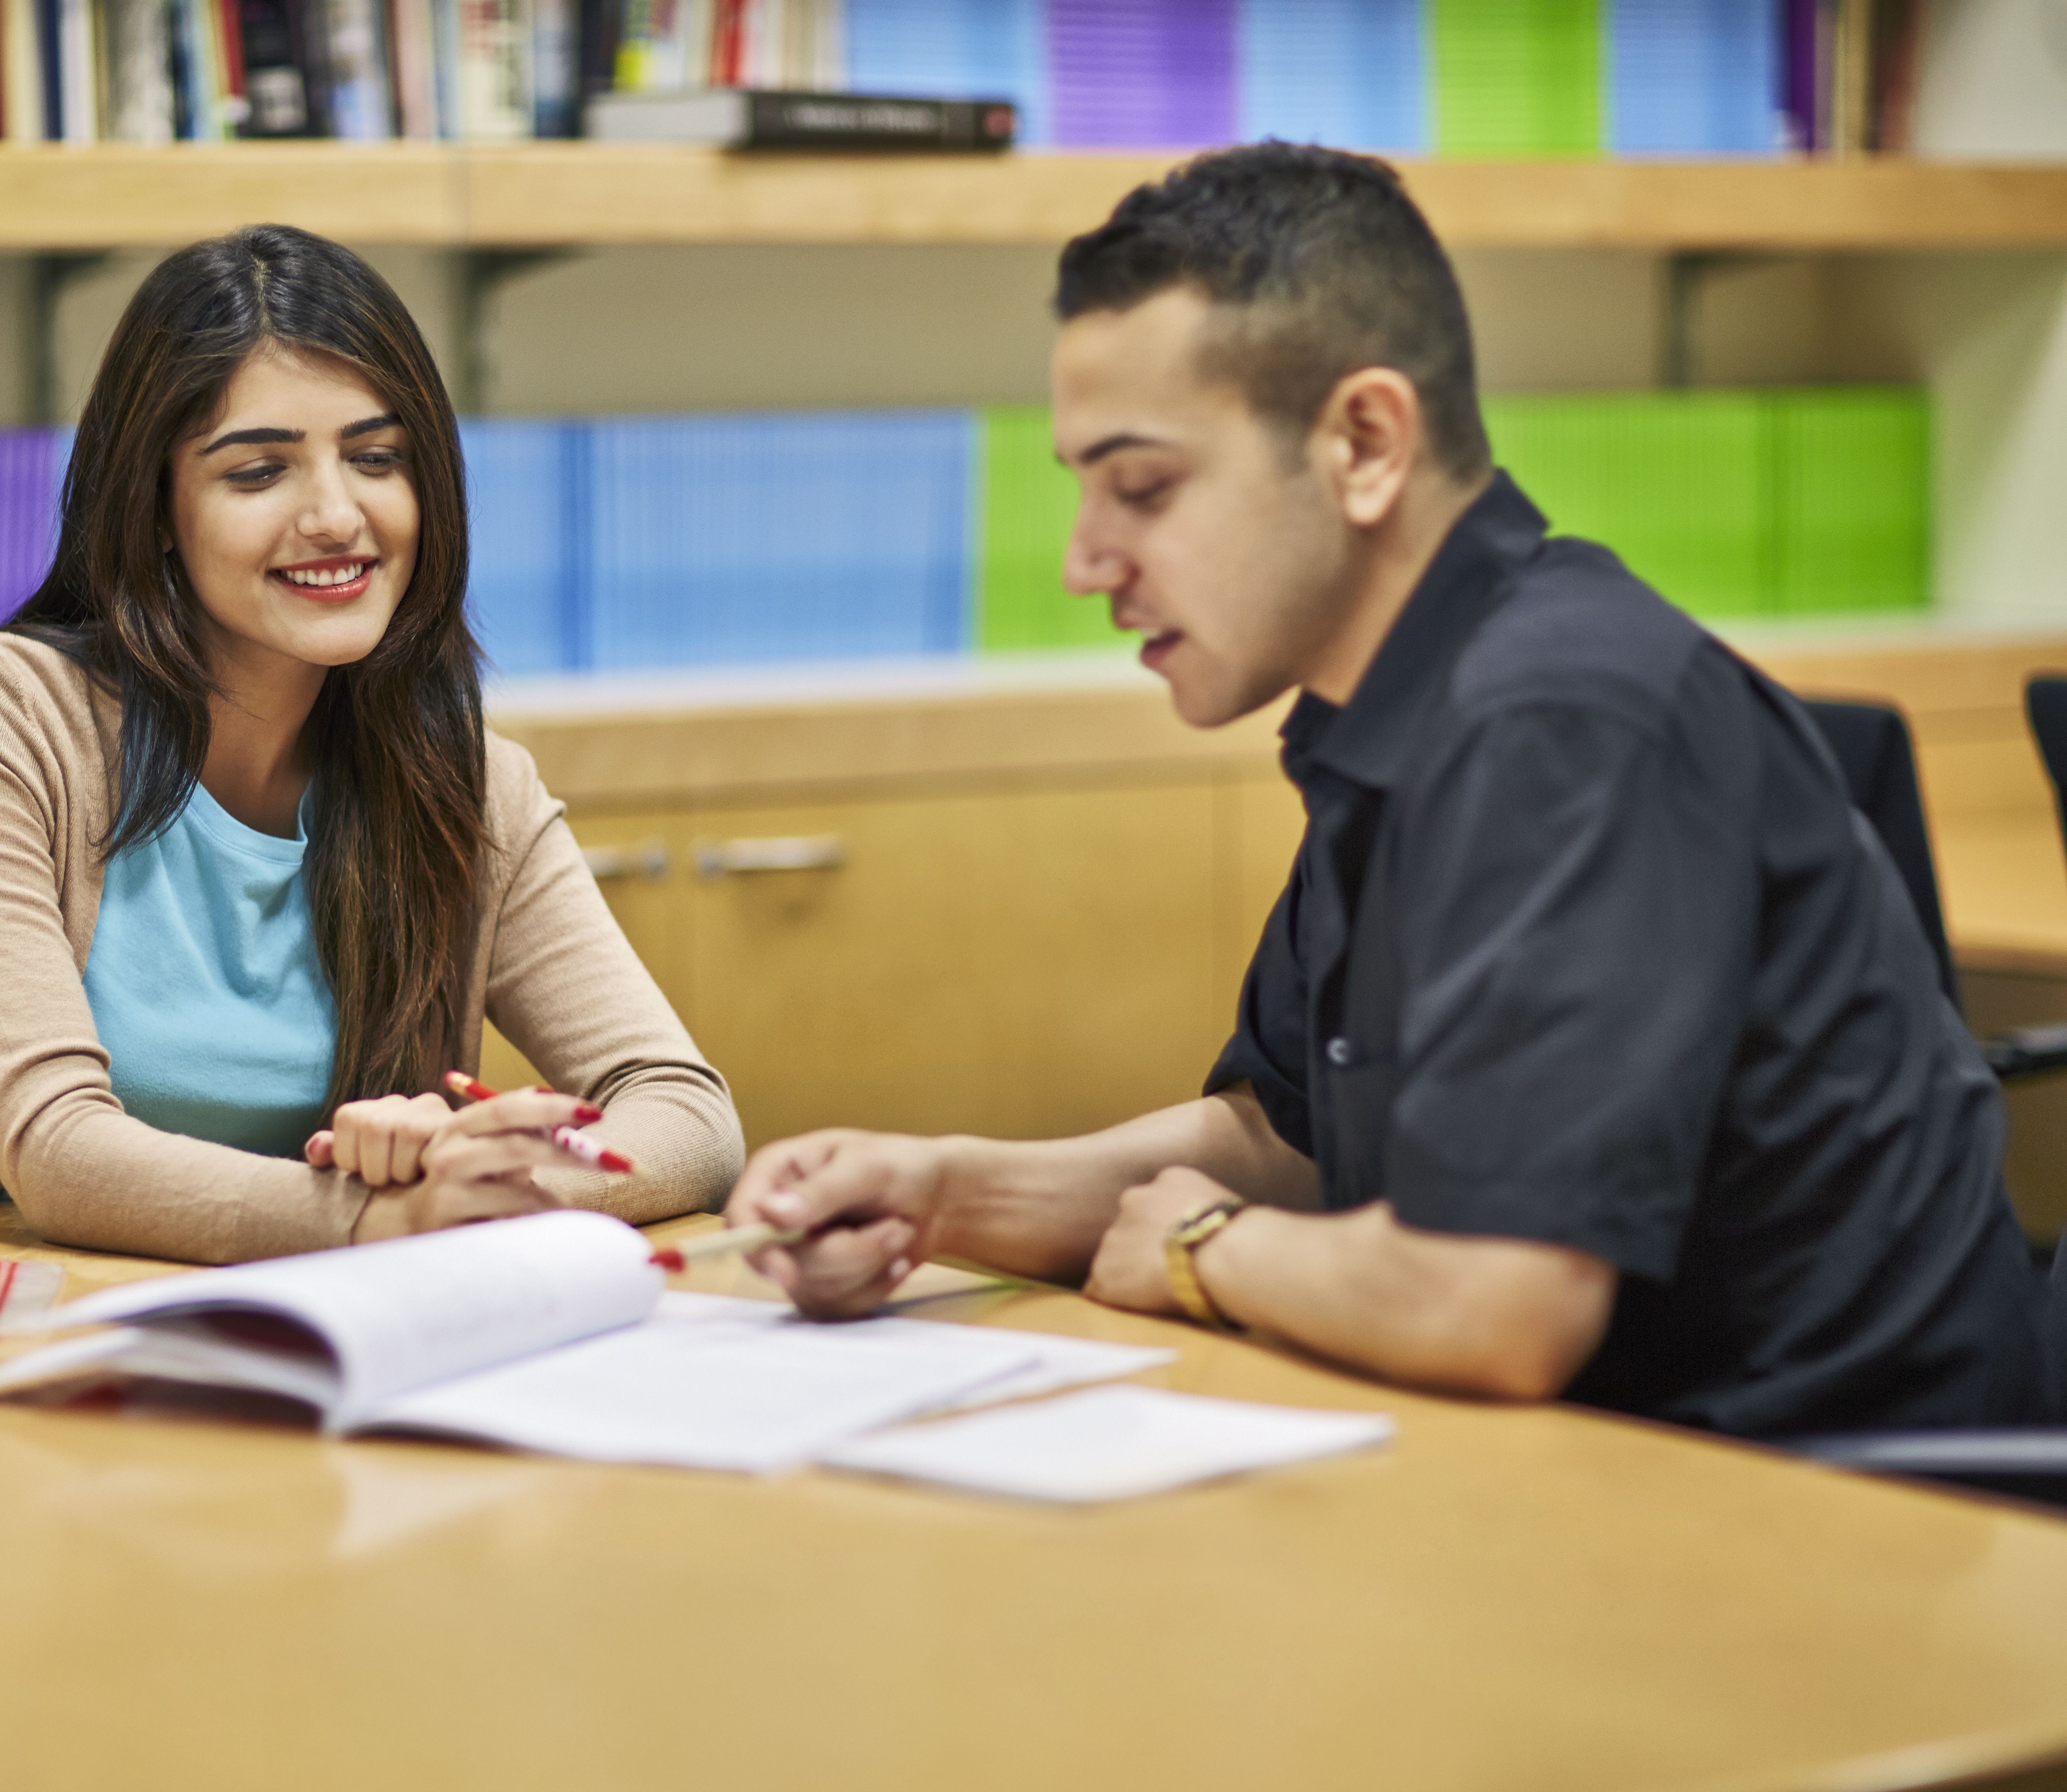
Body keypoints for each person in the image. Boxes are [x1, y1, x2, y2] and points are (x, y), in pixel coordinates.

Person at [728, 144, 2052, 1437]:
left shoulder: (1560, 718)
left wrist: (1205, 1252)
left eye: (1143, 488)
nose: (1086, 562)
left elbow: (1497, 1303)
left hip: (1841, 1518)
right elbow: (1284, 1137)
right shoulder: (1394, 710)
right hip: (1603, 1468)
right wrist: (945, 1192)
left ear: (1365, 442)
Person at [0, 225, 742, 1261]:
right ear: (158, 506)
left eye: (377, 458)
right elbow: (57, 1150)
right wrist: (380, 1215)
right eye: (259, 472)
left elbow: (685, 1110)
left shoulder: (466, 779)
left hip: (318, 1333)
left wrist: (490, 1183)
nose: (336, 515)